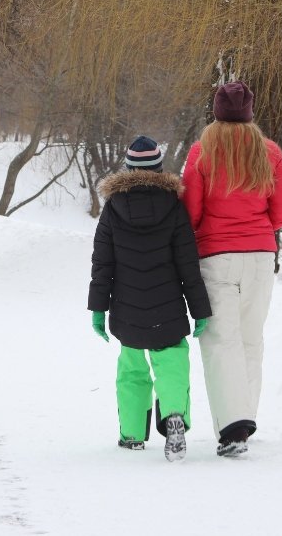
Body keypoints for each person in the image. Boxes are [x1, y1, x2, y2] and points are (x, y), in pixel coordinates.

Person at [180, 81, 282, 458]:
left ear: (216, 112)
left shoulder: (203, 152)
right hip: (261, 257)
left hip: (217, 257)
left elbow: (190, 213)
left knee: (220, 341)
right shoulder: (269, 152)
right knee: (250, 339)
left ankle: (234, 425)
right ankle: (244, 419)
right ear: (249, 113)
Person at [89, 136, 213, 461]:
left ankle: (131, 434)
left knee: (131, 369)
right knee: (171, 362)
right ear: (159, 167)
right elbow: (188, 263)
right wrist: (199, 310)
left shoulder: (112, 209)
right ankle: (173, 416)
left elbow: (103, 263)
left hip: (127, 309)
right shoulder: (174, 206)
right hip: (168, 305)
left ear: (128, 168)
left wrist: (98, 309)